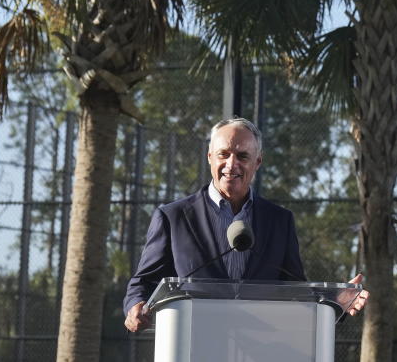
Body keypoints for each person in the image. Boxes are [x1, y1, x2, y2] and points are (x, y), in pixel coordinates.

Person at [124, 117, 369, 332]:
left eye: (242, 156)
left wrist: (336, 302)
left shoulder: (279, 221)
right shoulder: (172, 217)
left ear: (258, 162)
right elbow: (143, 282)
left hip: (261, 348)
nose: (232, 164)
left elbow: (295, 292)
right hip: (191, 343)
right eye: (224, 154)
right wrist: (136, 305)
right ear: (210, 157)